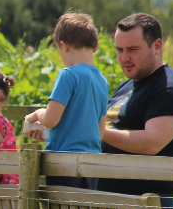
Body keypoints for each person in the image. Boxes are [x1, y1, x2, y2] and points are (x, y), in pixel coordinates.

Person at [96, 13, 173, 209]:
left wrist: (99, 133)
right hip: (108, 205)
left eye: (132, 49)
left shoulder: (171, 89)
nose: (124, 58)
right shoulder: (126, 86)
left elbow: (152, 142)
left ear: (157, 46)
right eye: (119, 50)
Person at [24, 13, 110, 189]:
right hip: (92, 165)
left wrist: (37, 114)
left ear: (63, 45)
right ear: (95, 46)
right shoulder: (102, 81)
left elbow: (50, 119)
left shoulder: (68, 74)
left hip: (64, 164)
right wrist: (52, 136)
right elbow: (99, 132)